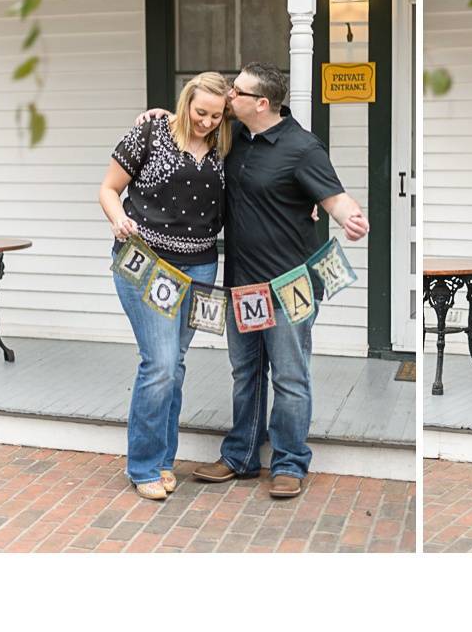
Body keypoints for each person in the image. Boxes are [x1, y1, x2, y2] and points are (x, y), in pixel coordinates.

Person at [142, 63, 369, 499]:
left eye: (237, 92)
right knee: (246, 373)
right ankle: (241, 456)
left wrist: (351, 218)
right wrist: (154, 116)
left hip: (290, 286)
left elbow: (335, 197)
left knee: (289, 375)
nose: (228, 96)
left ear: (261, 103)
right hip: (241, 283)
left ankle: (289, 462)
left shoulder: (303, 148)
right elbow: (186, 118)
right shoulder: (234, 136)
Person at [99, 72, 232, 500]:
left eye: (216, 115)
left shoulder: (226, 147)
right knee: (158, 363)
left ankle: (163, 461)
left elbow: (276, 133)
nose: (207, 121)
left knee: (173, 366)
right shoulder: (151, 131)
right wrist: (117, 218)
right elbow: (108, 188)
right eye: (200, 112)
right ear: (185, 101)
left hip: (201, 270)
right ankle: (142, 467)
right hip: (147, 264)